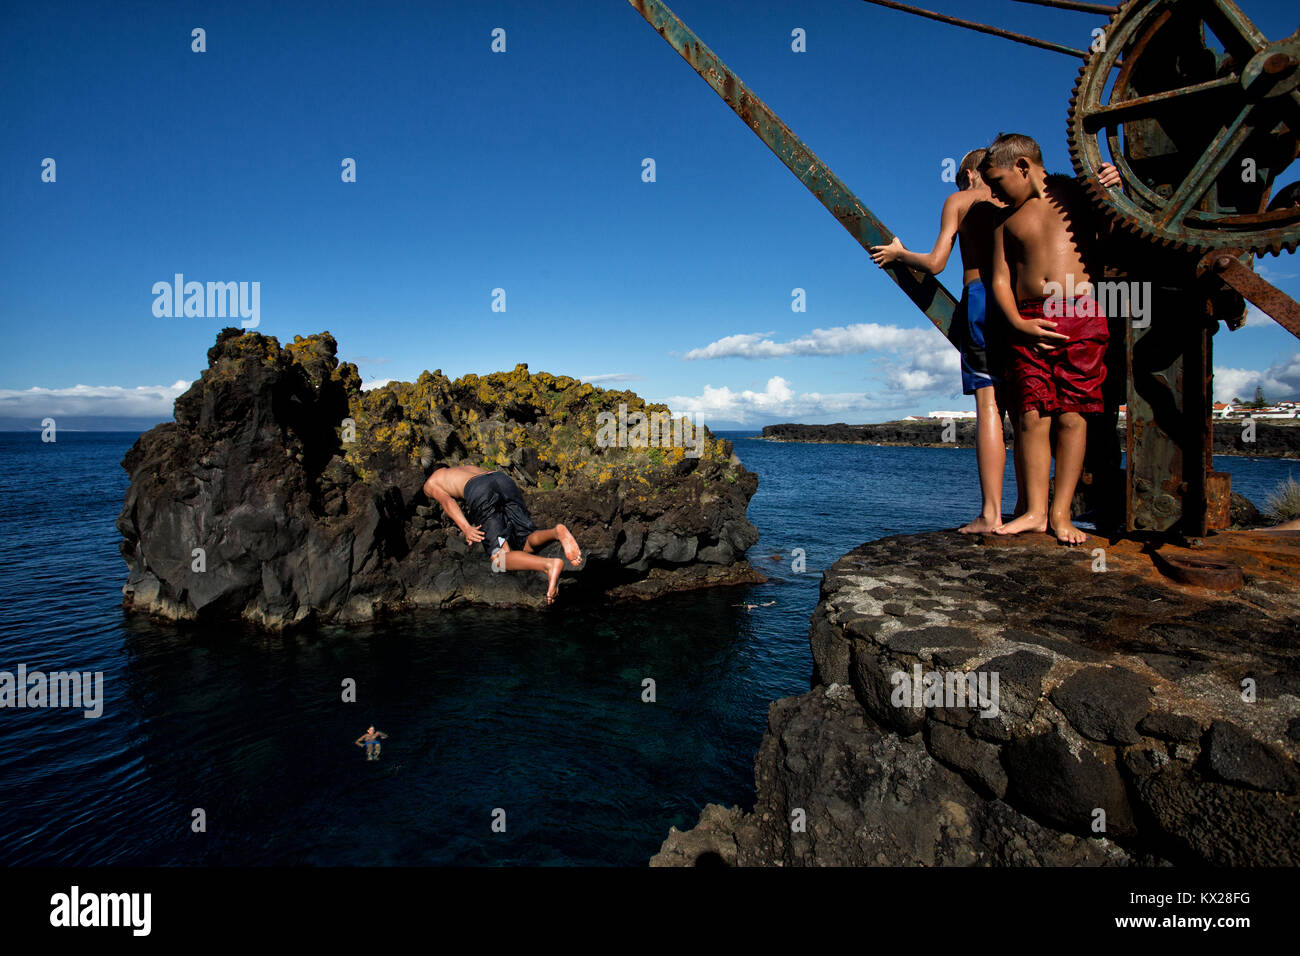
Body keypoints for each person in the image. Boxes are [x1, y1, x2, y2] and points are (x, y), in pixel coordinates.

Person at [870, 149, 1120, 533]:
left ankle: (991, 513)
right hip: (1034, 304)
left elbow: (936, 263)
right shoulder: (1030, 200)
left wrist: (900, 253)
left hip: (985, 299)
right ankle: (1028, 506)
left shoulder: (963, 201)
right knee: (1028, 405)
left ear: (971, 174)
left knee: (990, 403)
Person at [979, 133, 1109, 545]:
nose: (995, 192)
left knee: (1073, 414)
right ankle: (1035, 511)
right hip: (1030, 319)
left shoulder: (1076, 194)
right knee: (1032, 416)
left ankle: (1061, 513)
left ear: (1023, 166)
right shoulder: (1005, 221)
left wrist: (1114, 178)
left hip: (1080, 313)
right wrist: (1017, 323)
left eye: (998, 181)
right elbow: (1000, 278)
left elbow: (1114, 212)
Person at [423, 463, 582, 604]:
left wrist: (466, 528)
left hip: (479, 488)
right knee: (526, 545)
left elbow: (447, 502)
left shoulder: (432, 481)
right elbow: (491, 485)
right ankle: (556, 532)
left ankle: (549, 565)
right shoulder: (464, 468)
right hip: (502, 479)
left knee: (499, 559)